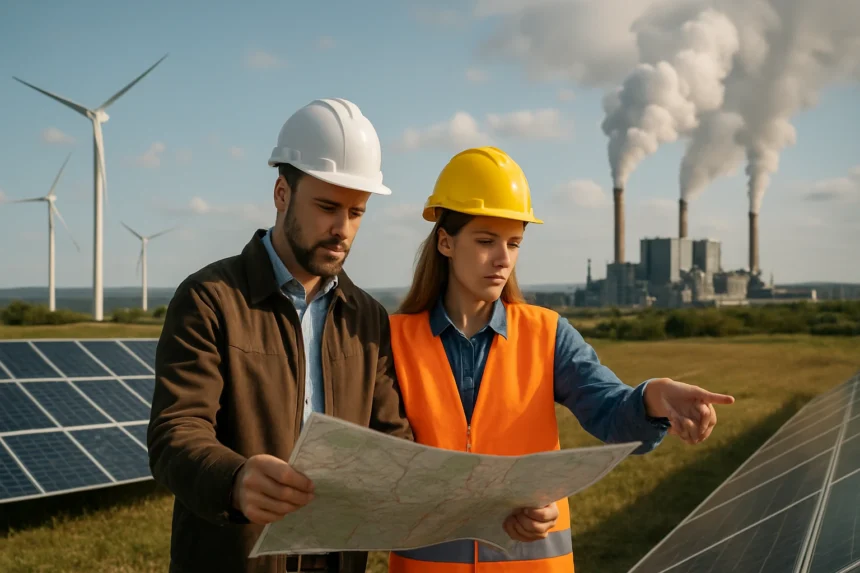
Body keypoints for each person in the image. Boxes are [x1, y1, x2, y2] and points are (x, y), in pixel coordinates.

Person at [386, 146, 736, 573]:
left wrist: (654, 397)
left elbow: (610, 412)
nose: (503, 258)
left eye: (514, 243)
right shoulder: (392, 340)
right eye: (485, 241)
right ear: (445, 241)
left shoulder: (547, 334)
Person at [147, 98, 413, 573]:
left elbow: (390, 439)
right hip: (237, 555)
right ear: (281, 193)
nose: (342, 229)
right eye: (328, 207)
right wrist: (234, 480)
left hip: (337, 558)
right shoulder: (209, 299)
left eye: (357, 212)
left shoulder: (368, 318)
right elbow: (175, 434)